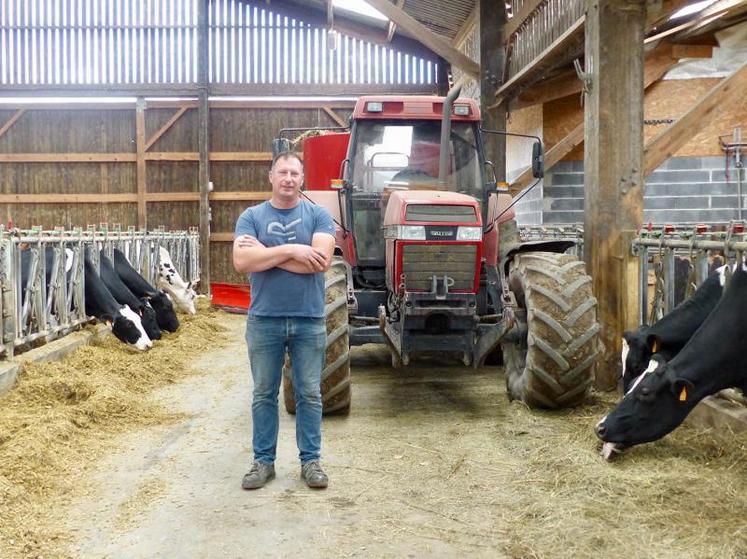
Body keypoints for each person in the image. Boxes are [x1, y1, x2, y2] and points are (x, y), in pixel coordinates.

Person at [232, 152, 336, 490]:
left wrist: (266, 253)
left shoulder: (319, 215)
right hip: (264, 319)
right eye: (282, 172)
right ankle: (263, 462)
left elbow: (319, 262)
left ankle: (311, 462)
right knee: (264, 393)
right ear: (271, 176)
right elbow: (242, 261)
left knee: (309, 393)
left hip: (308, 319)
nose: (288, 178)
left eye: (294, 173)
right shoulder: (251, 216)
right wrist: (293, 251)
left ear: (302, 179)